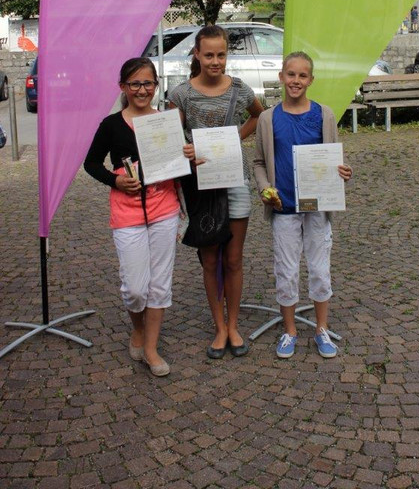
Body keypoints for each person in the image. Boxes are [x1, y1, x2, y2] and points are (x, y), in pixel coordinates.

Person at [169, 25, 264, 359]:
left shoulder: (239, 89)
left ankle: (233, 325)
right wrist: (186, 151)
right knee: (209, 259)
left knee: (233, 259)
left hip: (234, 179)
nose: (215, 61)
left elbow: (258, 115)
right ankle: (219, 327)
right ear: (197, 54)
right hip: (201, 184)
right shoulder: (181, 94)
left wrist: (236, 137)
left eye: (221, 55)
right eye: (208, 55)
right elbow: (171, 138)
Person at [84, 57, 180, 377]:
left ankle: (151, 347)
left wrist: (189, 156)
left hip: (164, 208)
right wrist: (116, 181)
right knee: (135, 289)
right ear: (123, 87)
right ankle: (137, 326)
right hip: (127, 212)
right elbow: (91, 164)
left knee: (159, 283)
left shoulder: (165, 122)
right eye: (135, 84)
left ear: (156, 85)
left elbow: (178, 164)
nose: (142, 90)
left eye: (148, 83)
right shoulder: (111, 125)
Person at [253, 51, 353, 359]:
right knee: (286, 270)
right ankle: (290, 330)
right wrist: (265, 188)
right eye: (291, 74)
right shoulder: (268, 118)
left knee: (320, 268)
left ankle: (322, 328)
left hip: (317, 206)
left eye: (302, 75)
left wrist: (342, 171)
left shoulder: (324, 115)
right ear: (281, 77)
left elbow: (332, 157)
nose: (296, 80)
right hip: (284, 206)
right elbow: (258, 162)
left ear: (311, 80)